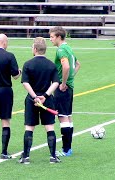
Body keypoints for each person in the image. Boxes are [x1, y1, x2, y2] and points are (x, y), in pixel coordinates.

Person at [19, 37, 61, 164]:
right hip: (46, 100)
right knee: (49, 127)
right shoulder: (51, 65)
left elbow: (25, 82)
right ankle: (53, 156)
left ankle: (26, 156)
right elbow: (56, 82)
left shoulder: (28, 64)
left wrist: (34, 97)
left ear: (35, 49)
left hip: (32, 100)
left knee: (29, 127)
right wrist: (45, 96)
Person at [49, 26, 81, 157]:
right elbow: (78, 64)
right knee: (68, 116)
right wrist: (70, 78)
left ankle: (66, 149)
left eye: (51, 37)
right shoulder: (69, 48)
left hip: (63, 88)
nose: (50, 39)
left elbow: (66, 66)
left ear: (58, 37)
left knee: (62, 117)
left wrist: (63, 83)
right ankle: (69, 148)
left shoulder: (61, 49)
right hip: (70, 86)